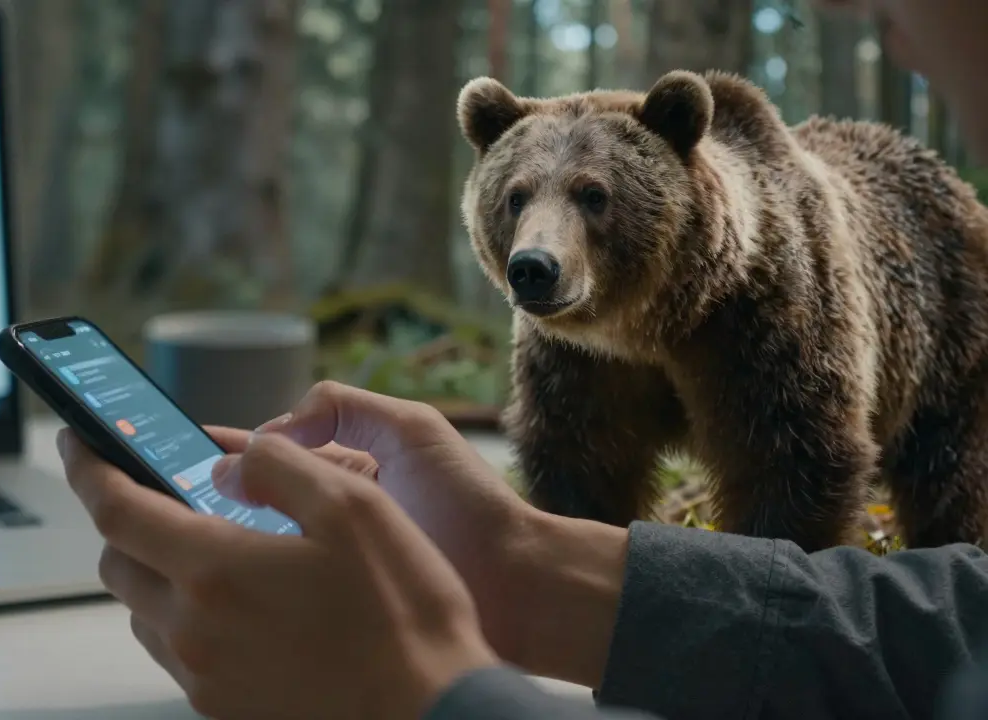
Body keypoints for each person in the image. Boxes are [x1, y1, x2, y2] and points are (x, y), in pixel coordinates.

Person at [60, 1, 988, 717]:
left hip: (942, 296)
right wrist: (512, 562)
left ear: (680, 175)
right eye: (515, 207)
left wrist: (419, 690)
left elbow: (808, 507)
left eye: (591, 201)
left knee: (935, 506)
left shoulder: (784, 283)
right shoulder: (557, 325)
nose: (535, 246)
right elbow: (577, 505)